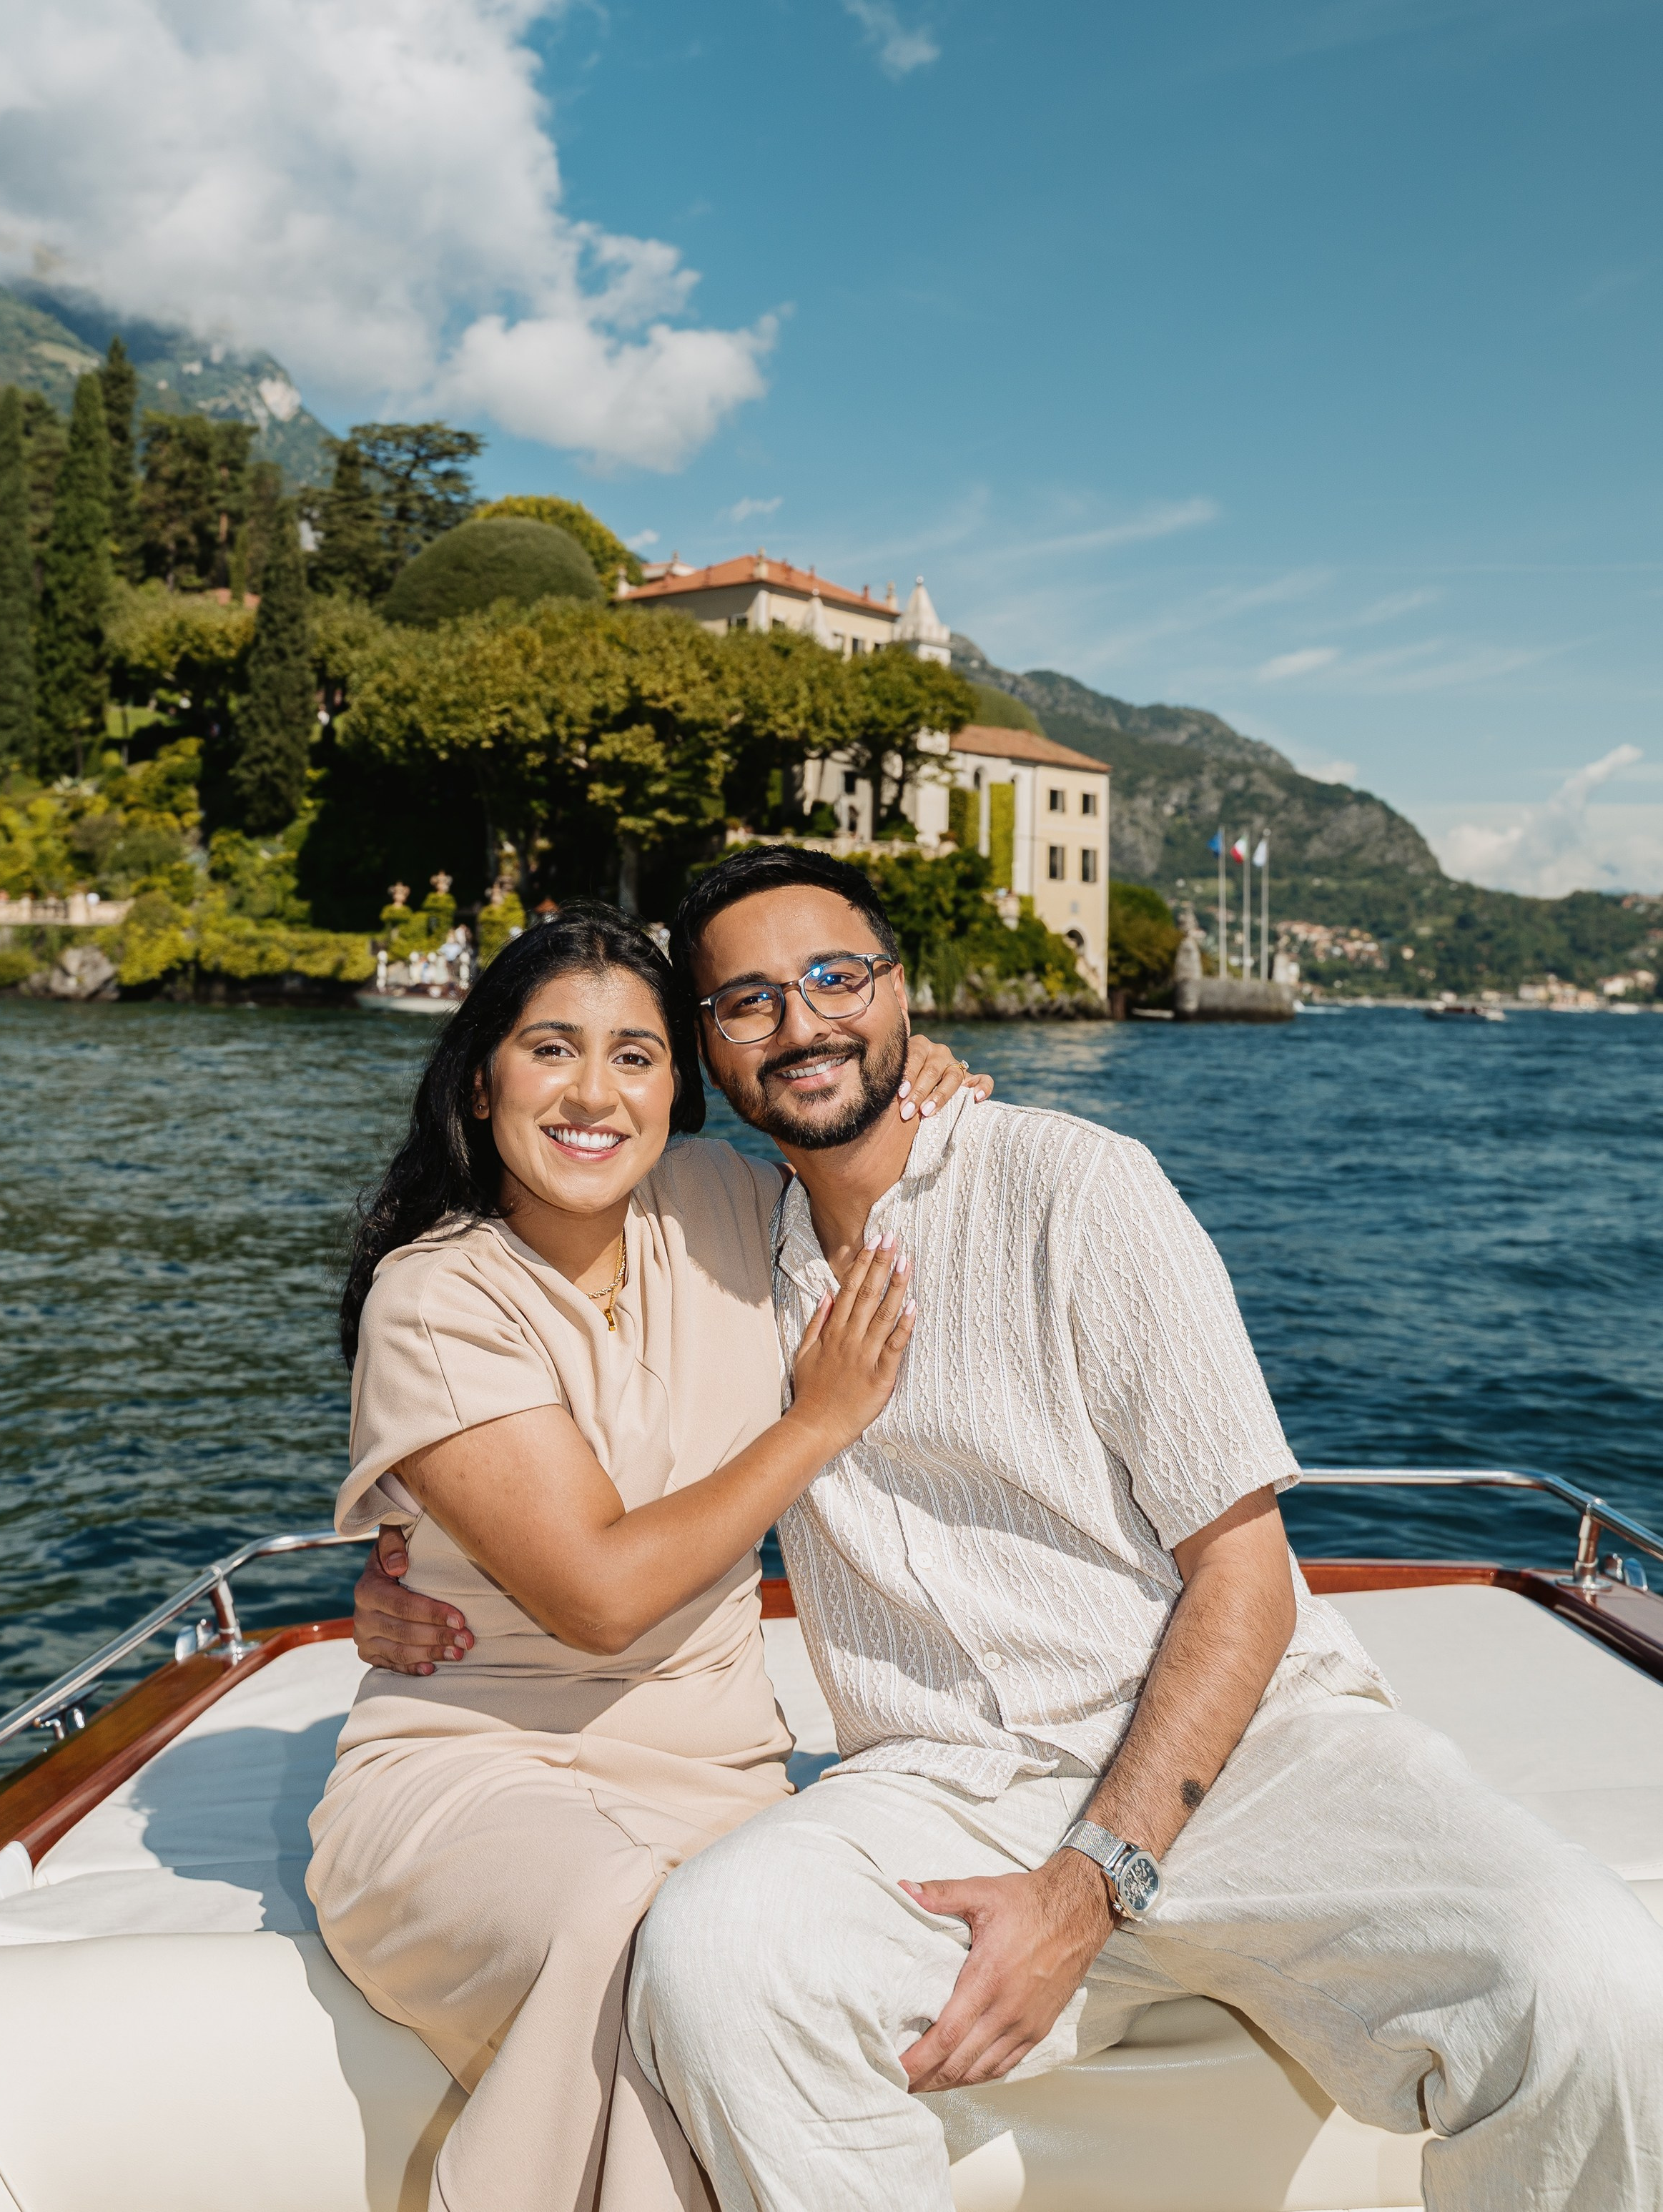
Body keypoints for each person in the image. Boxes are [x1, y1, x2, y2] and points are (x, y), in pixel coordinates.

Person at [371, 847, 1663, 2212]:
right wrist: (400, 1550)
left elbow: (1245, 1573)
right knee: (717, 1952)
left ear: (903, 995)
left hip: (1241, 1754)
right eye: (748, 1000)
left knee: (1587, 1971)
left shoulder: (1077, 1187)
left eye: (835, 977)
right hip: (937, 1777)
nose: (802, 1022)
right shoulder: (728, 1227)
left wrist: (1087, 1882)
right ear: (712, 1048)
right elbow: (522, 1381)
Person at [310, 900, 987, 2212]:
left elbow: (867, 1126)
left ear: (680, 1085)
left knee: (759, 1950)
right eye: (551, 1047)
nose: (592, 1092)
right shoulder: (439, 1293)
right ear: (483, 1072)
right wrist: (819, 1422)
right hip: (471, 1773)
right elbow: (601, 1596)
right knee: (642, 1929)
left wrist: (928, 1063)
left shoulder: (724, 1203)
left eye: (634, 1055)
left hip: (722, 1775)